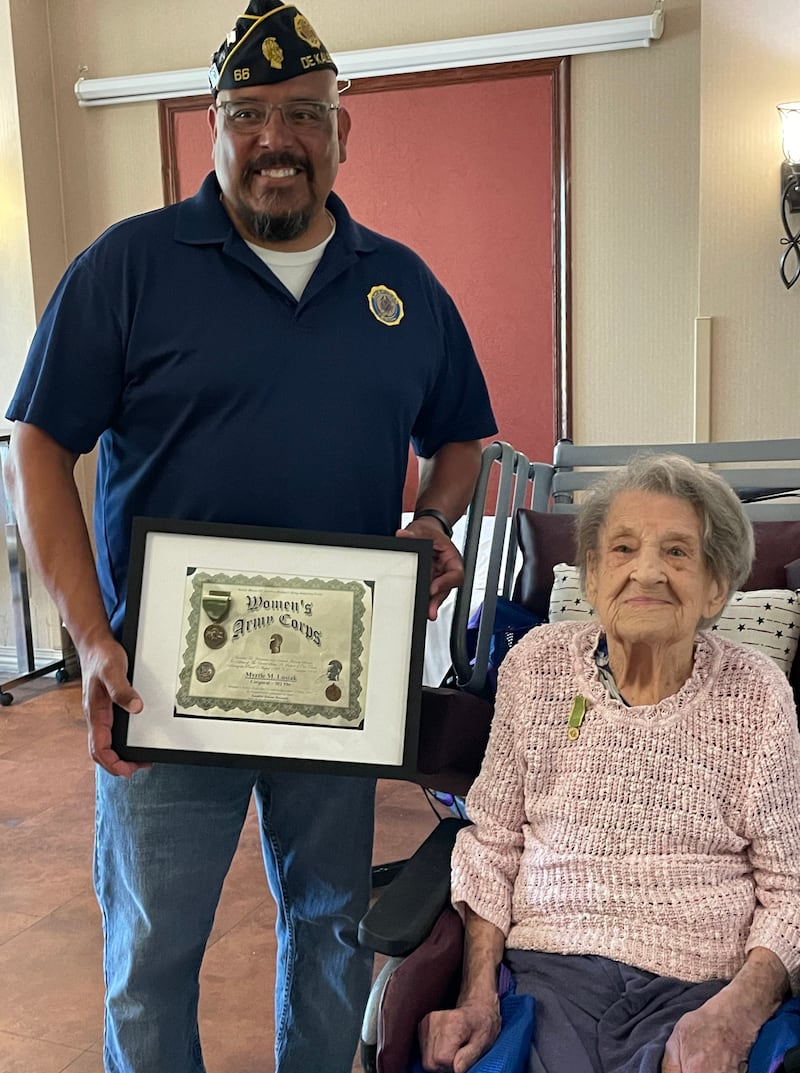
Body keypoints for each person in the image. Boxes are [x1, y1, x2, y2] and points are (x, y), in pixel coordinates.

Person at [3, 3, 497, 1071]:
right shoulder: (128, 268)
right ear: (214, 129)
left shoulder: (398, 286)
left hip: (336, 691)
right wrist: (90, 639)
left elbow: (463, 433)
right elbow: (39, 446)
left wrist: (430, 516)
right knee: (152, 951)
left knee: (328, 927)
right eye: (250, 113)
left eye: (304, 114)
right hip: (162, 686)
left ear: (341, 131)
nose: (278, 137)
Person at [419, 454, 800, 1073]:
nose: (646, 571)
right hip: (547, 975)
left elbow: (791, 888)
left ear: (717, 589)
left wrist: (737, 1012)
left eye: (678, 553)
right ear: (591, 579)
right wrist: (478, 995)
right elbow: (493, 843)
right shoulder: (536, 667)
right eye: (621, 549)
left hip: (700, 990)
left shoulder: (755, 695)